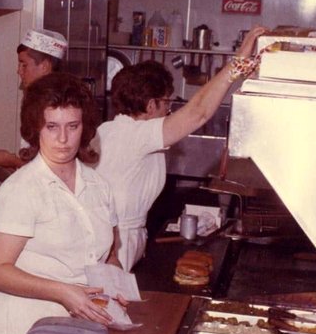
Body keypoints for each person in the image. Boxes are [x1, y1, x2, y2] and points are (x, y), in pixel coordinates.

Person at [0, 72, 118, 334]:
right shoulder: (23, 189)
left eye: (72, 126)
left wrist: (115, 283)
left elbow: (109, 252)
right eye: (52, 127)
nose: (63, 139)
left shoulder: (98, 185)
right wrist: (63, 292)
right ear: (35, 129)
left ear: (85, 128)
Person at [94, 26, 268, 271]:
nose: (169, 110)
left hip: (117, 239)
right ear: (151, 104)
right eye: (167, 102)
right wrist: (236, 64)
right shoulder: (135, 134)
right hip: (114, 245)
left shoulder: (110, 130)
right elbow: (198, 112)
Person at [0, 27, 68, 169]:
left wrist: (9, 160)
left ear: (44, 66)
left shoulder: (57, 106)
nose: (18, 70)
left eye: (24, 64)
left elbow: (49, 170)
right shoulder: (36, 100)